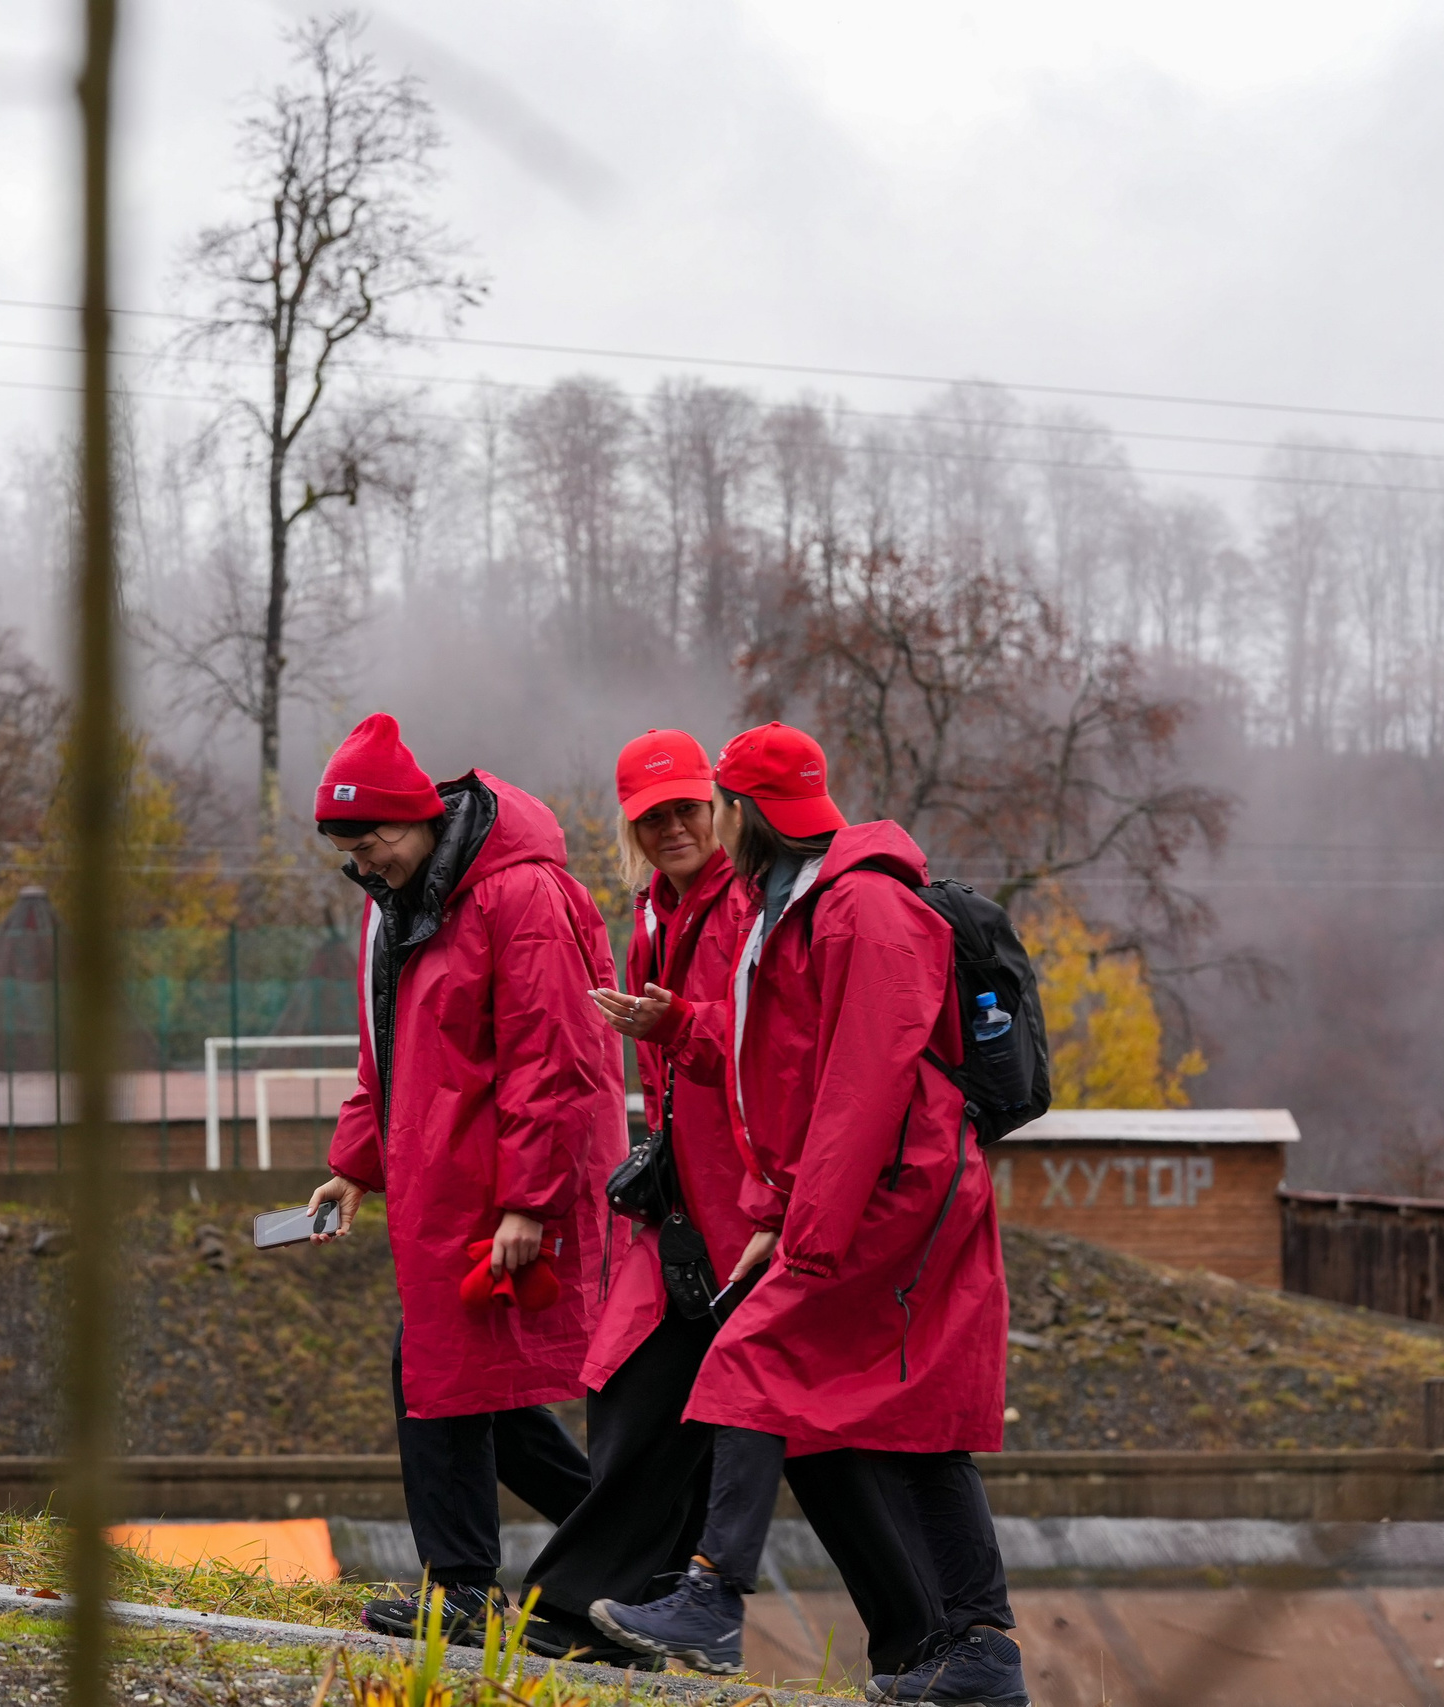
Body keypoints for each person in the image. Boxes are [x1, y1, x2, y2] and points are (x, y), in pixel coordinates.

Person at [589, 722, 1027, 1707]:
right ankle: (981, 1658)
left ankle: (711, 1600)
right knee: (914, 1427)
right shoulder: (805, 905)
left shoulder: (859, 909)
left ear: (741, 814)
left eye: (712, 809)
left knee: (748, 1354)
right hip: (867, 1192)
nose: (701, 829)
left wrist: (803, 1231)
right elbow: (788, 1076)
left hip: (891, 1196)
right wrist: (777, 1202)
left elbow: (859, 1086)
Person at [522, 730, 937, 1676]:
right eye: (651, 814)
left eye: (686, 808)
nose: (672, 826)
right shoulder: (654, 913)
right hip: (688, 1212)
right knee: (650, 1397)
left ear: (720, 810)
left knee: (801, 1434)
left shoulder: (754, 905)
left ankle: (927, 1638)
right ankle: (595, 1609)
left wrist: (770, 1203)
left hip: (751, 1210)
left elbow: (783, 1052)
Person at [302, 711, 626, 1644]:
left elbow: (552, 1057)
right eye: (349, 848)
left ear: (420, 819)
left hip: (498, 1183)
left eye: (374, 841)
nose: (366, 863)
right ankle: (629, 1544)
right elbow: (387, 1050)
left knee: (435, 1372)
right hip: (440, 1179)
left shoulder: (521, 895)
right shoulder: (397, 900)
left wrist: (529, 1197)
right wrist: (352, 1165)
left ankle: (469, 1586)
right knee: (468, 1380)